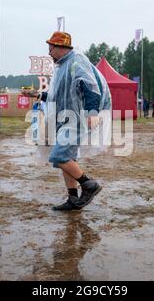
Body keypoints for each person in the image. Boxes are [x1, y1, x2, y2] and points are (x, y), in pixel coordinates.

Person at [24, 31, 112, 211]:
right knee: (67, 159)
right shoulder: (61, 67)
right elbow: (58, 95)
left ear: (61, 47)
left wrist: (92, 113)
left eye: (51, 48)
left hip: (76, 118)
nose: (49, 53)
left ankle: (89, 185)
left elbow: (90, 87)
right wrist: (39, 94)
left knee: (59, 156)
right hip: (64, 119)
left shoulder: (76, 61)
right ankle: (73, 198)